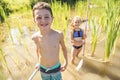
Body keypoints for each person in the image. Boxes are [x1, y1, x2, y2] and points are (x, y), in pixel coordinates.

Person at [32, 2, 68, 80]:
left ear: (52, 18)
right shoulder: (35, 37)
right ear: (34, 20)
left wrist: (66, 62)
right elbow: (38, 50)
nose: (43, 20)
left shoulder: (58, 34)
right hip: (43, 69)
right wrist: (38, 62)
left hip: (56, 68)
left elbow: (64, 48)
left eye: (46, 17)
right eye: (39, 17)